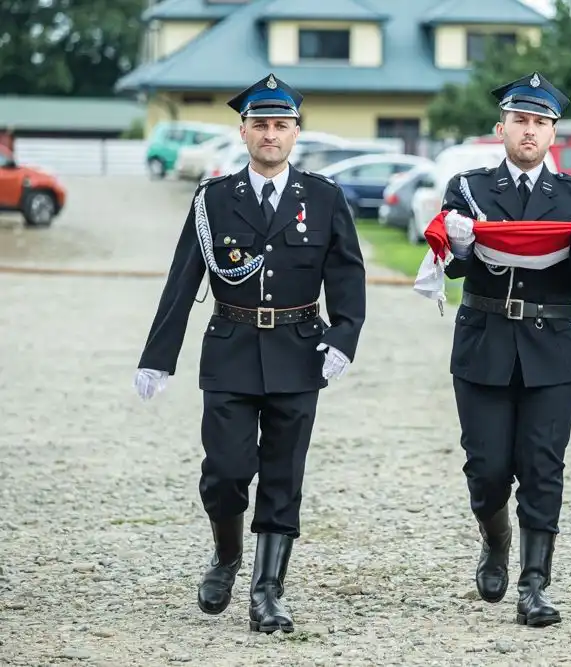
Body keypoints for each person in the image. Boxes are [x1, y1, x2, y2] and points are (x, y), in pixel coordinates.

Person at [132, 73, 367, 633]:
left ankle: (268, 591)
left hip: (298, 351)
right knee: (225, 471)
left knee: (284, 476)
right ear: (243, 132)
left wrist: (344, 336)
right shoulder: (214, 200)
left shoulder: (325, 197)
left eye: (280, 125)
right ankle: (227, 556)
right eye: (260, 125)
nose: (270, 134)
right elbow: (183, 278)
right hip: (232, 351)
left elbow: (348, 275)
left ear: (295, 133)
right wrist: (157, 355)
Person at [438, 71, 571, 627]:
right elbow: (455, 263)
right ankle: (495, 539)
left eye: (540, 122)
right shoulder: (469, 187)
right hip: (486, 339)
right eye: (520, 121)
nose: (529, 131)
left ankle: (536, 584)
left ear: (553, 134)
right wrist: (460, 243)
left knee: (542, 466)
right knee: (486, 467)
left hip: (550, 345)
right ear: (501, 128)